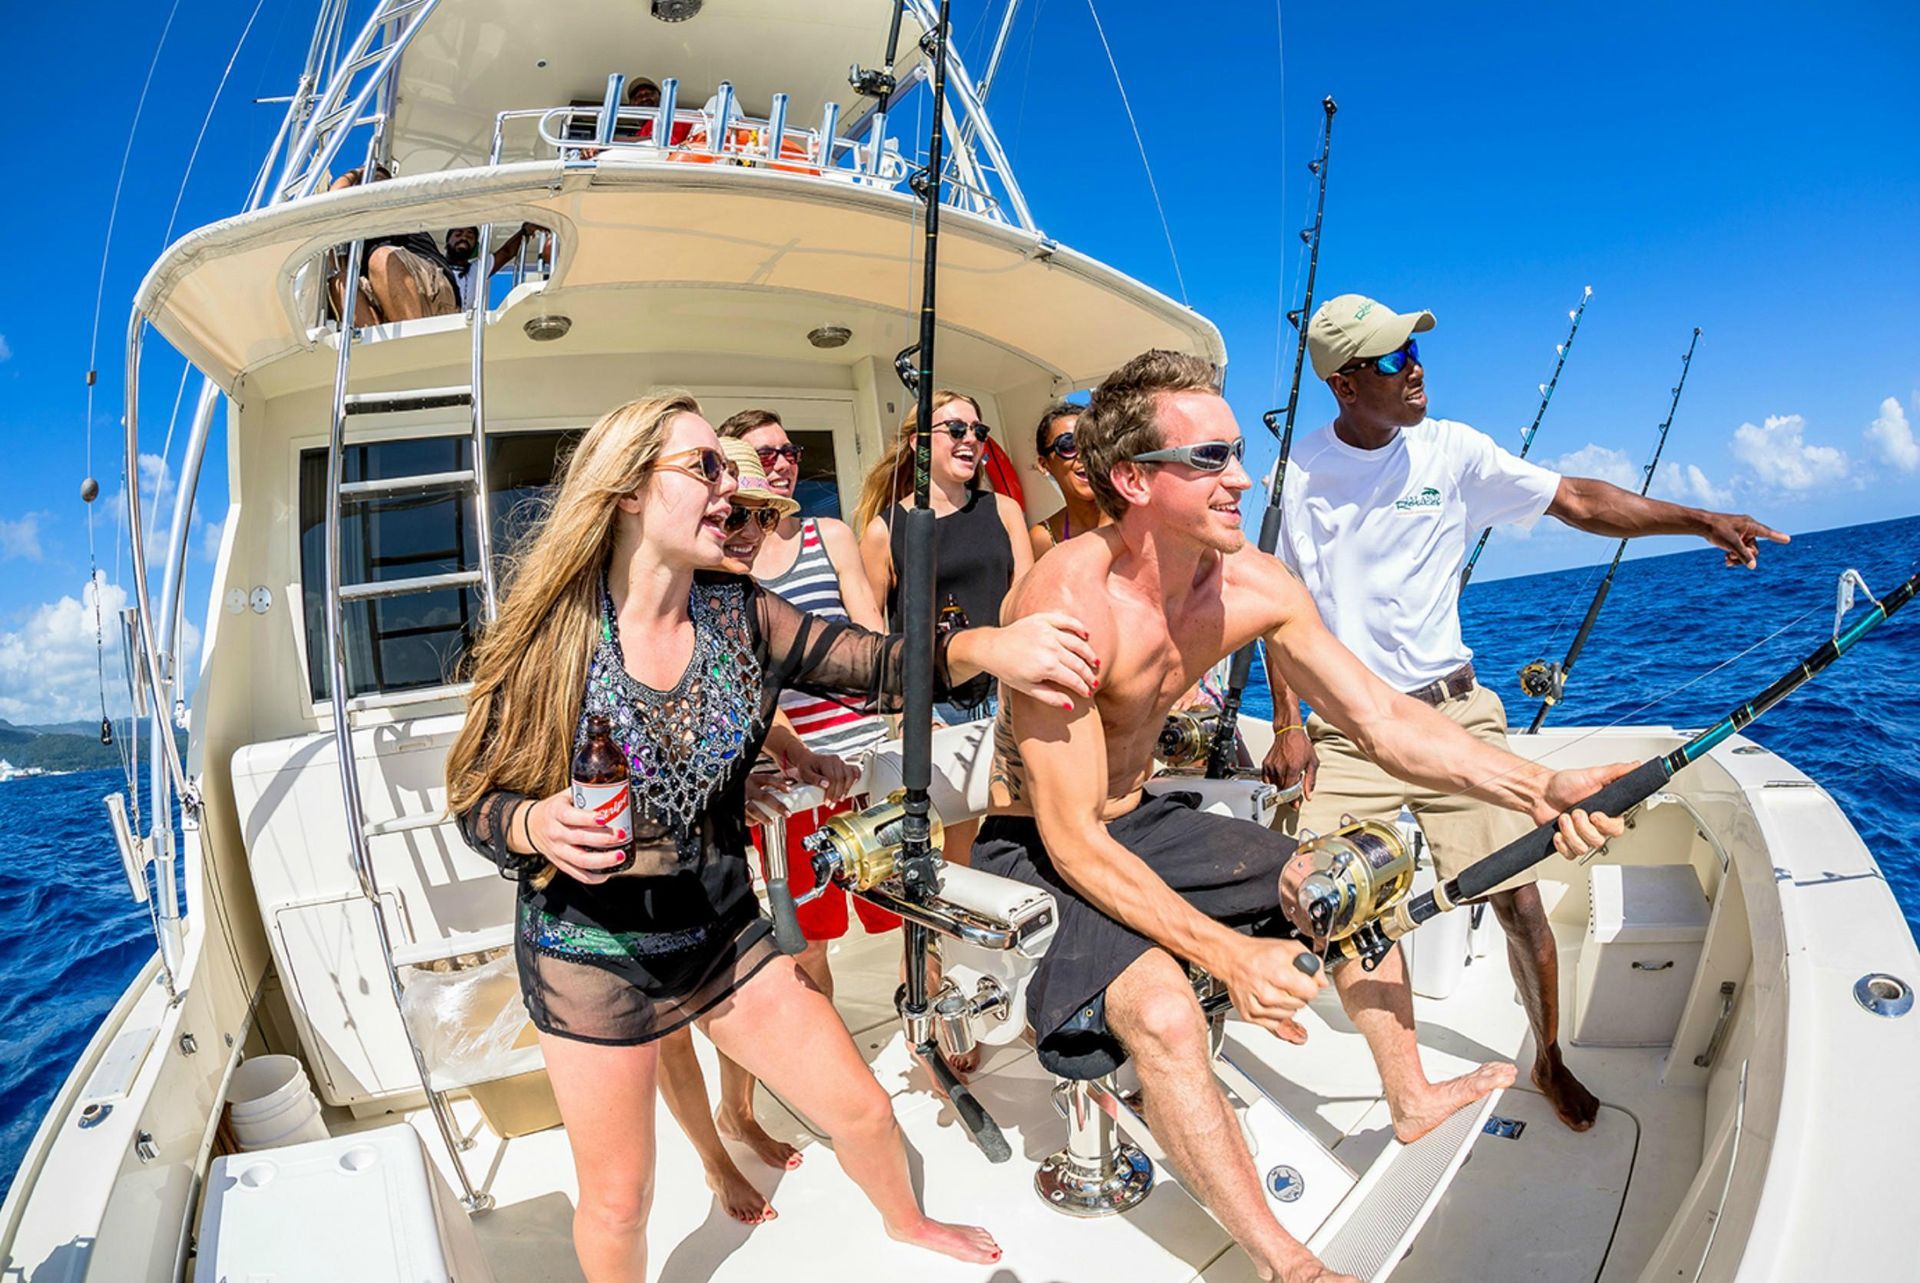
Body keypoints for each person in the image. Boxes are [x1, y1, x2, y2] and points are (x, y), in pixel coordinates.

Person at [976, 350, 1636, 1283]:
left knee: (1350, 872)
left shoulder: (1253, 585)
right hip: (1039, 842)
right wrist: (1229, 953)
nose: (1241, 477)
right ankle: (1292, 1266)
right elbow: (1075, 837)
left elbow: (1381, 718)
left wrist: (1537, 788)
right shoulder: (1070, 602)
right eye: (1208, 459)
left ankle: (1407, 1095)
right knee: (1166, 1008)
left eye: (1237, 451)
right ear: (1132, 479)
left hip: (1138, 815)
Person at [446, 391, 1104, 1279]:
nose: (731, 487)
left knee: (865, 1110)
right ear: (631, 489)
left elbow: (876, 668)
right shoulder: (551, 634)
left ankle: (906, 1220)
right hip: (585, 952)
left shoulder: (740, 612)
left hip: (722, 934)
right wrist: (534, 822)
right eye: (705, 467)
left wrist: (986, 646)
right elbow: (475, 800)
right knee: (617, 1202)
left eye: (729, 467)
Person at [1261, 294, 1787, 1133]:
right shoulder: (1294, 479)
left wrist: (1700, 520)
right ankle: (1409, 1089)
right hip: (1348, 730)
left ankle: (1547, 1056)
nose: (1417, 370)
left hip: (1455, 710)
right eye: (1395, 360)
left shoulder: (1455, 449)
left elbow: (1576, 498)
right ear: (1344, 382)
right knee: (1338, 901)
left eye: (1415, 352)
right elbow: (1274, 613)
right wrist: (1289, 724)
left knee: (1520, 904)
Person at [855, 391, 1033, 727]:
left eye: (978, 432)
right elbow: (871, 634)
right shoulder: (885, 530)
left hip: (1009, 692)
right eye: (955, 429)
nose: (970, 439)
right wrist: (907, 711)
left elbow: (1026, 602)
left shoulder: (1005, 511)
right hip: (932, 708)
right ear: (917, 443)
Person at [325, 164, 462, 323]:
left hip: (432, 291)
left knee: (383, 259)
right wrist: (360, 171)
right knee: (340, 283)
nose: (375, 184)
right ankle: (383, 346)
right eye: (368, 180)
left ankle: (410, 341)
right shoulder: (355, 234)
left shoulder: (399, 206)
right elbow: (333, 199)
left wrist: (366, 170)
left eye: (381, 180)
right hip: (385, 297)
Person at [1028, 400, 1108, 560]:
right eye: (1067, 445)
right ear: (1044, 465)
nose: (1083, 454)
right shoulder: (1043, 537)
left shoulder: (1134, 515)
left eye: (1091, 442)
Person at [443, 224, 538, 311]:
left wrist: (524, 231)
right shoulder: (434, 266)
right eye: (458, 234)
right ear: (447, 241)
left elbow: (507, 252)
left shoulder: (478, 268)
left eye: (470, 236)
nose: (464, 238)